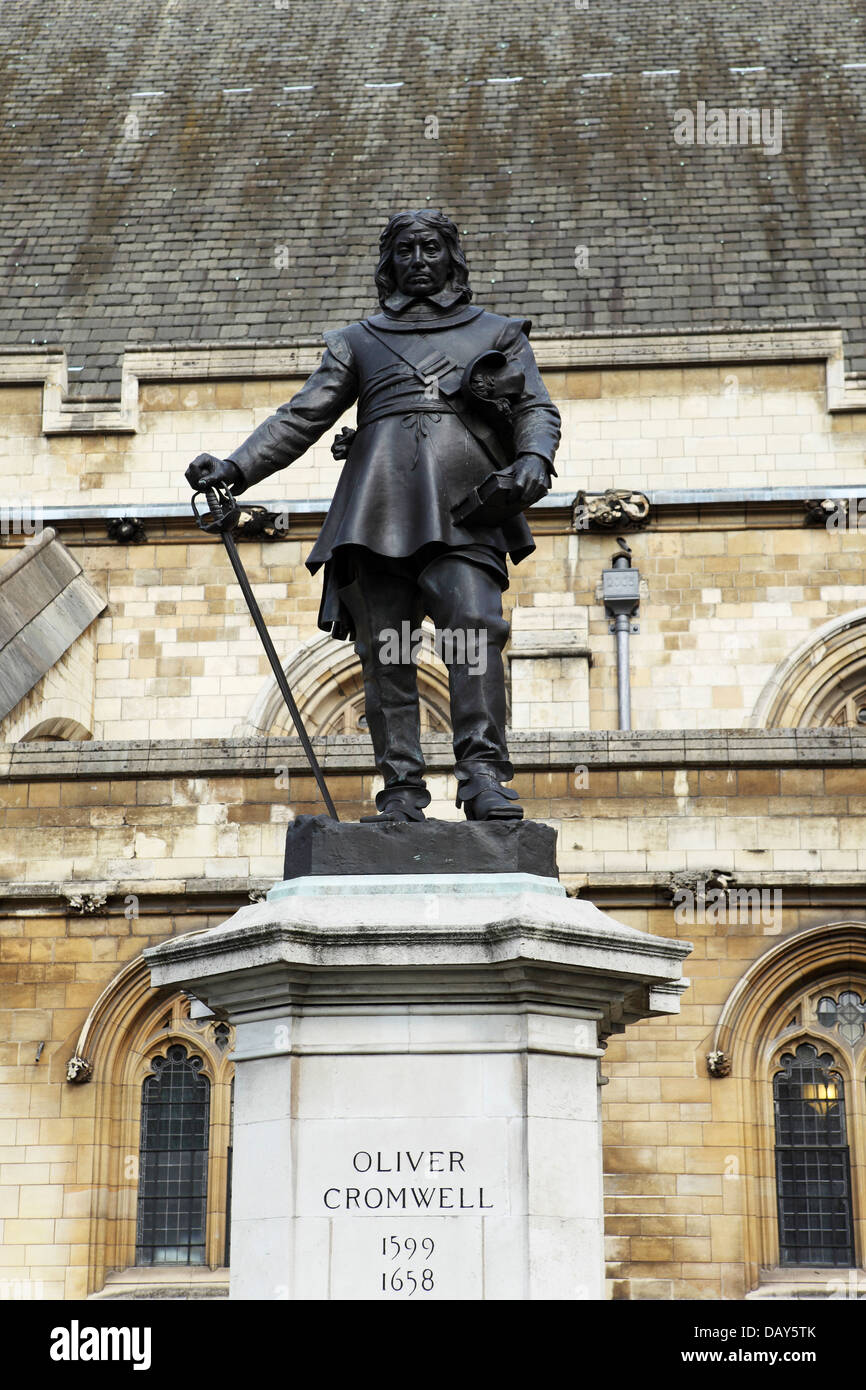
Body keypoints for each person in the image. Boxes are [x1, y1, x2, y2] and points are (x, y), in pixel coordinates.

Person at [186, 210, 561, 822]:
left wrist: (534, 459)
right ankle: (402, 790)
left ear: (452, 258)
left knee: (473, 633)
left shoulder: (497, 333)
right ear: (390, 264)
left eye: (432, 248)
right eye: (407, 250)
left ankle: (485, 778)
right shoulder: (357, 340)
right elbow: (301, 418)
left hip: (466, 512)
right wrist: (234, 467)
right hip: (378, 512)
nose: (419, 260)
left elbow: (535, 409)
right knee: (386, 653)